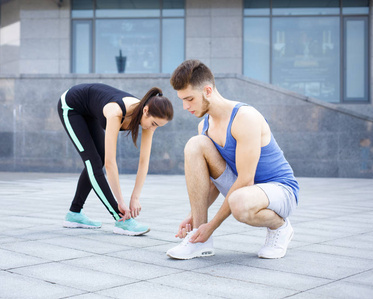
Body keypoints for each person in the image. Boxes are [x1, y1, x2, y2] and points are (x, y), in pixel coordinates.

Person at [166, 60, 299, 259]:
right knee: (195, 144)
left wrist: (212, 226)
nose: (185, 106)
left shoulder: (245, 117)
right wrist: (194, 218)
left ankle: (280, 226)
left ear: (208, 91)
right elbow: (213, 185)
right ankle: (199, 240)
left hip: (280, 190)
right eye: (182, 100)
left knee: (239, 202)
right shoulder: (205, 127)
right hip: (244, 190)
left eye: (190, 99)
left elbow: (246, 180)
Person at [57, 83, 173, 236]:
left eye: (158, 126)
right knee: (94, 163)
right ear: (145, 111)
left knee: (97, 159)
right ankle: (121, 219)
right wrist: (121, 202)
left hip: (89, 110)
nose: (153, 129)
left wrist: (135, 198)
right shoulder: (116, 112)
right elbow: (110, 163)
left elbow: (144, 162)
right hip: (71, 106)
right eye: (154, 124)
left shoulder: (147, 116)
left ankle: (74, 213)